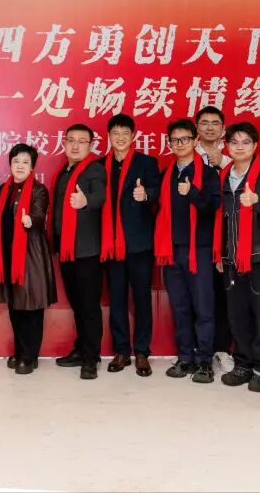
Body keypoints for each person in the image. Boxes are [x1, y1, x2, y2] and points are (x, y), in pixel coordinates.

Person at [217, 123, 260, 393]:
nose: (240, 147)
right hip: (231, 258)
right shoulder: (224, 176)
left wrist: (257, 200)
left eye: (246, 142)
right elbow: (220, 220)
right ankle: (243, 364)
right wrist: (220, 254)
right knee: (237, 315)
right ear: (227, 147)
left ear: (255, 146)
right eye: (234, 142)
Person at [156, 118, 221, 384]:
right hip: (171, 250)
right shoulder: (167, 174)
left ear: (195, 141)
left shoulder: (208, 174)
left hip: (199, 250)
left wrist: (193, 192)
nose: (179, 144)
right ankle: (185, 357)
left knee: (203, 308)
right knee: (180, 307)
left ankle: (204, 360)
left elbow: (213, 207)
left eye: (184, 139)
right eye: (174, 140)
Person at [101, 113, 161, 377]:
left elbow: (157, 191)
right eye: (115, 133)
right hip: (111, 244)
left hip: (138, 243)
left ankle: (142, 352)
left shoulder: (146, 162)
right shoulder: (100, 165)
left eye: (125, 133)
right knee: (116, 299)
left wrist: (145, 194)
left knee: (141, 299)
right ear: (109, 136)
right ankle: (122, 350)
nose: (120, 138)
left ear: (133, 136)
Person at [52, 122, 107, 380]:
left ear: (91, 145)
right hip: (66, 251)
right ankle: (82, 349)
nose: (75, 146)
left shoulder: (94, 169)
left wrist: (86, 201)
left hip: (87, 252)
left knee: (89, 307)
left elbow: (100, 196)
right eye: (70, 140)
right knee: (77, 305)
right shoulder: (64, 171)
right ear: (64, 143)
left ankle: (91, 358)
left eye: (81, 141)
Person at [0, 144, 57, 375]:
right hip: (8, 255)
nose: (20, 166)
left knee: (31, 306)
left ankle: (30, 356)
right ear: (10, 164)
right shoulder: (3, 190)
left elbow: (40, 214)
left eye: (25, 162)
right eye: (16, 161)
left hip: (31, 255)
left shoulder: (39, 190)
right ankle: (21, 351)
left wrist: (31, 220)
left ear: (32, 167)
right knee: (15, 305)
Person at [195, 105, 233, 373]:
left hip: (228, 236)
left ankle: (222, 348)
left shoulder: (233, 159)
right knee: (198, 295)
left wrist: (221, 165)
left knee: (223, 294)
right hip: (195, 238)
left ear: (223, 129)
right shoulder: (186, 158)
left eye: (215, 123)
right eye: (204, 123)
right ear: (197, 128)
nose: (210, 127)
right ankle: (197, 348)